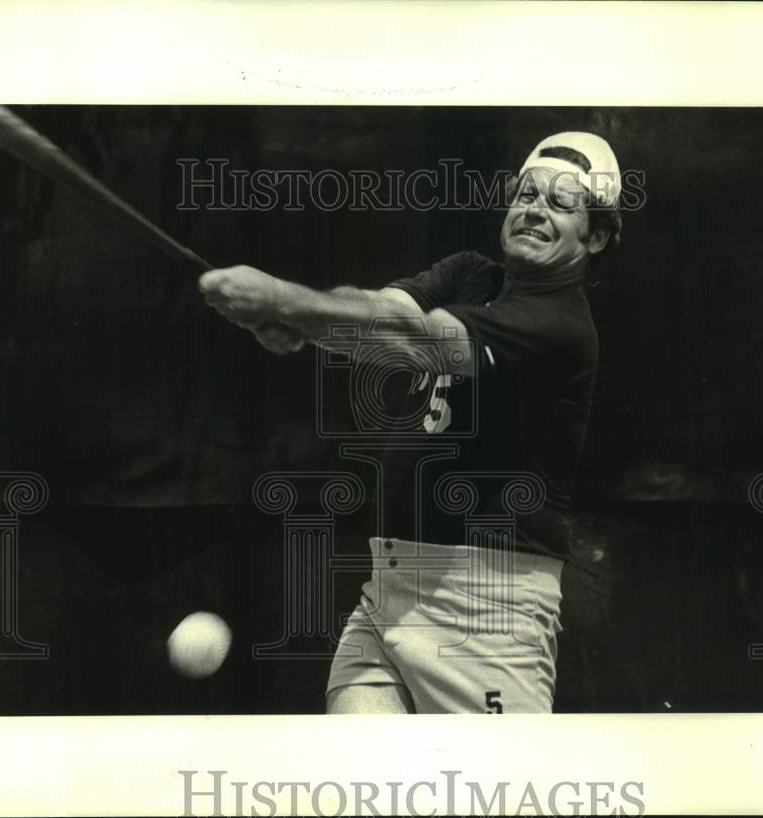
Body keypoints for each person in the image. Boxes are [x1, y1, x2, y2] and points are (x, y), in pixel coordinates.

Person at [199, 132, 624, 713]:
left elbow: (416, 341)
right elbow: (379, 312)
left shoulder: (560, 326)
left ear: (595, 235)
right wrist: (301, 321)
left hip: (485, 610)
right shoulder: (471, 273)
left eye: (559, 203)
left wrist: (283, 301)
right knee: (362, 786)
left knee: (498, 795)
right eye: (526, 193)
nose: (533, 209)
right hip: (389, 592)